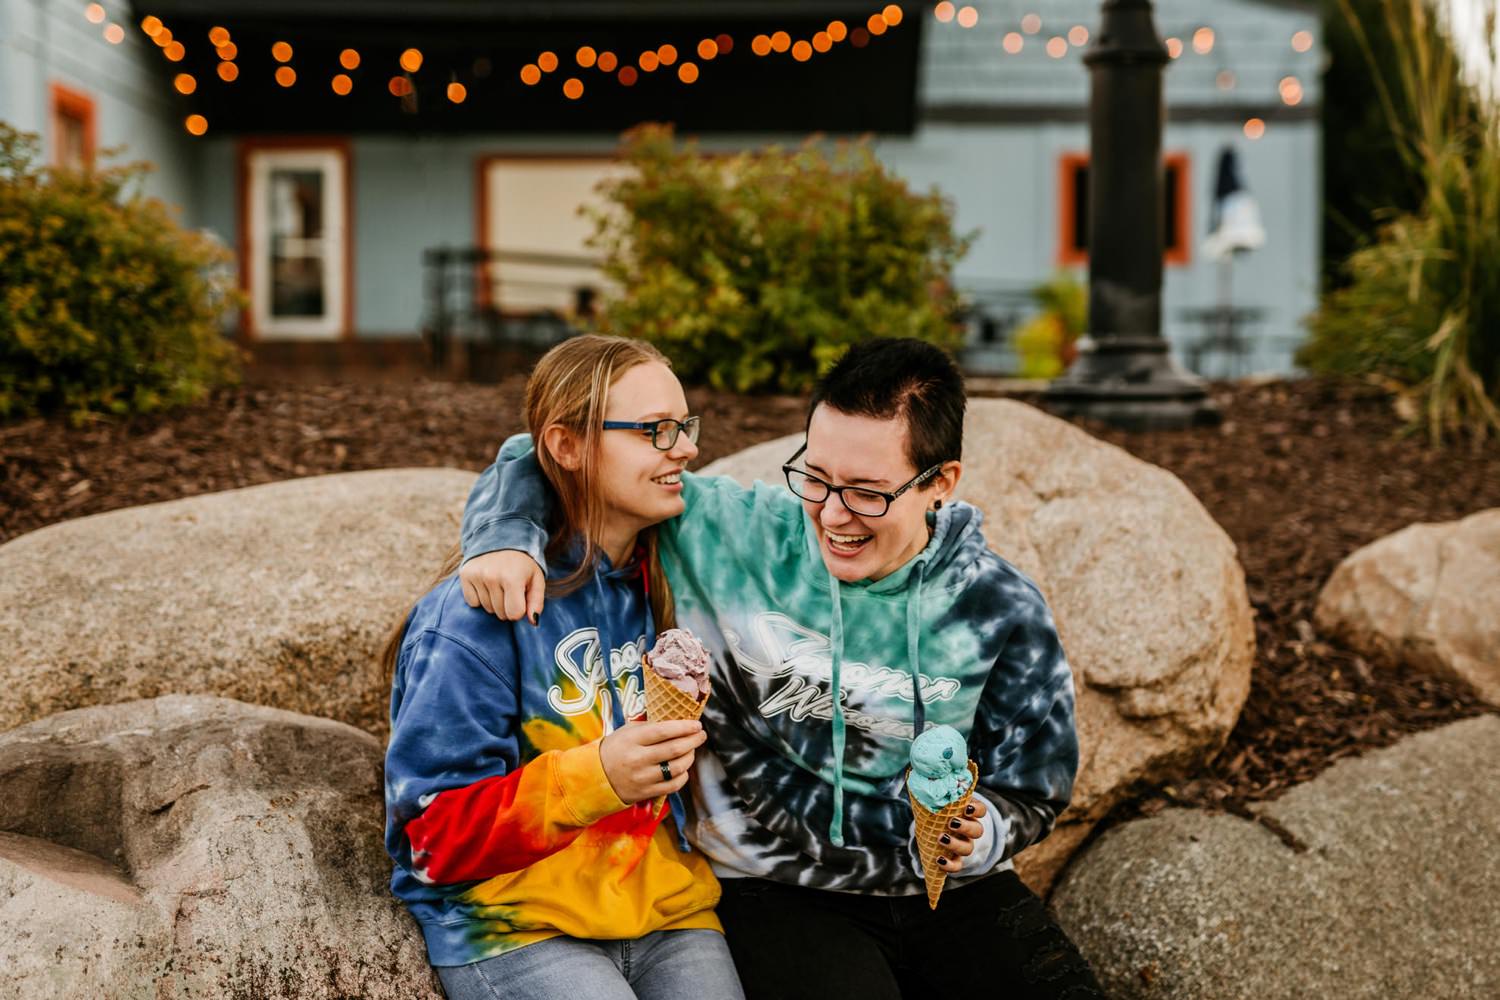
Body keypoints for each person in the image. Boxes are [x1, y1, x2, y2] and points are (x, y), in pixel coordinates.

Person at [458, 337, 1104, 999]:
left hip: (954, 891)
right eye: (816, 478)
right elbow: (548, 454)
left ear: (940, 483)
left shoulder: (1001, 608)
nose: (831, 515)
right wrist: (503, 538)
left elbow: (1036, 784)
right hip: (775, 890)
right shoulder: (729, 535)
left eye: (867, 494)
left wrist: (984, 828)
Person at [382, 335, 745, 1000]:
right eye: (656, 430)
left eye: (685, 426)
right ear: (569, 447)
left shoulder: (676, 574)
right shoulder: (480, 615)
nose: (687, 448)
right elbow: (428, 839)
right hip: (515, 924)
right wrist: (597, 776)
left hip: (667, 910)